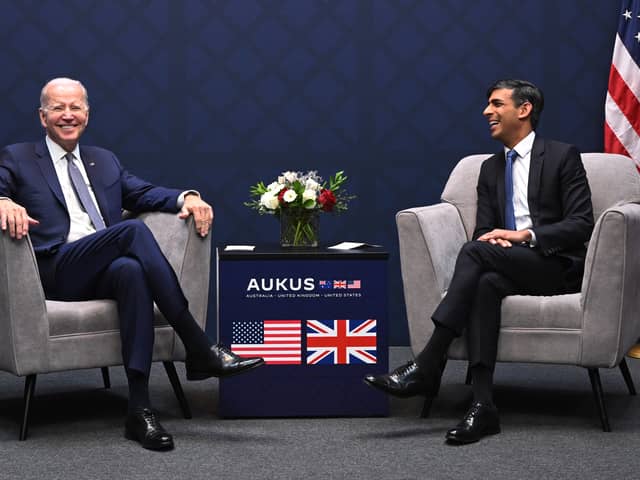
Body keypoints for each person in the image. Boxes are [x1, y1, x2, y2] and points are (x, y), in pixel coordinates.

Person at [0, 77, 265, 451]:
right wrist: (2, 201)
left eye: (75, 107)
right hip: (54, 269)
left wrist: (187, 197)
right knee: (130, 234)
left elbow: (143, 192)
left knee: (132, 271)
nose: (67, 115)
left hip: (100, 268)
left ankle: (140, 411)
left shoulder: (103, 160)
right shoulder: (19, 157)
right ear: (42, 117)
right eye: (58, 108)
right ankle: (199, 345)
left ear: (87, 115)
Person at [364, 79, 594, 444]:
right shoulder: (490, 169)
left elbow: (582, 223)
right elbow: (484, 230)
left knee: (474, 253)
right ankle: (484, 406)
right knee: (485, 282)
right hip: (509, 264)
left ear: (524, 109)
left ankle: (428, 362)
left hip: (555, 266)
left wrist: (526, 236)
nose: (487, 112)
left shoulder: (563, 156)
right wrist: (499, 239)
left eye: (496, 104)